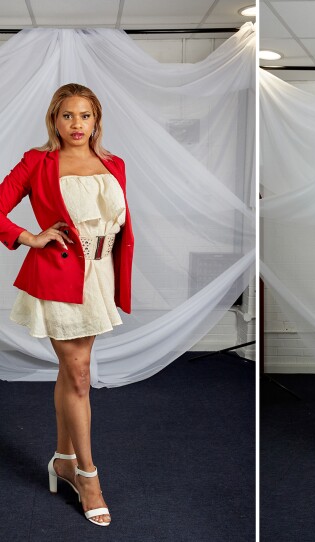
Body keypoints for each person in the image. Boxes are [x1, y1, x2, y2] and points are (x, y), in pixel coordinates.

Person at [0, 83, 134, 527]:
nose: (76, 125)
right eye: (67, 116)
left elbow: (115, 226)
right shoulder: (37, 162)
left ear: (97, 120)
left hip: (99, 276)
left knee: (73, 370)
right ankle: (87, 475)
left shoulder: (114, 164)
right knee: (79, 374)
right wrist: (29, 237)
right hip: (58, 275)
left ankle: (61, 460)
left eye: (85, 116)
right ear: (53, 121)